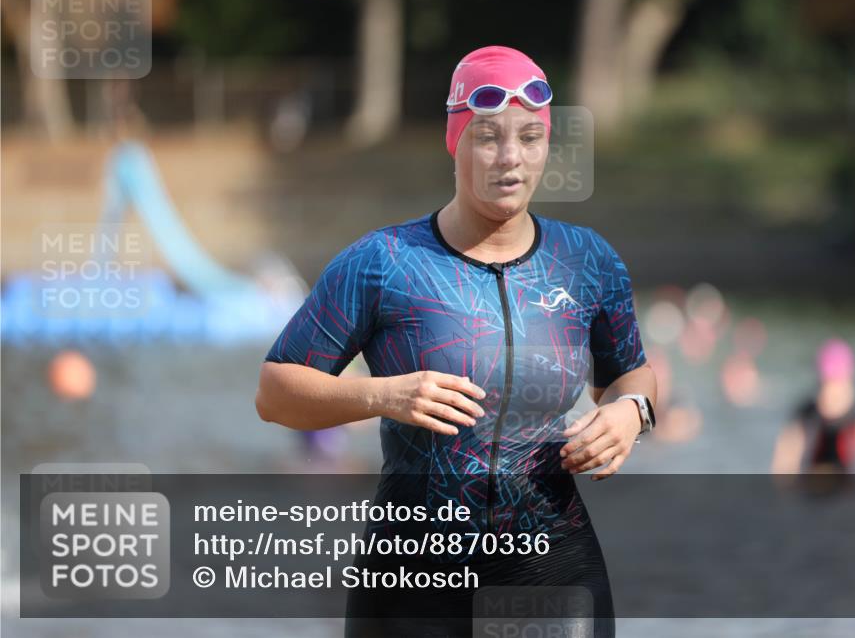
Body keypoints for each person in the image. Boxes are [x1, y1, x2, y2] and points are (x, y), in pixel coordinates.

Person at [255, 45, 657, 637]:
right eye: (488, 136)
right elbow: (274, 392)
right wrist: (385, 396)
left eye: (530, 137)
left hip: (552, 570)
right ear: (456, 142)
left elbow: (630, 375)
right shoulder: (384, 263)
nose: (510, 158)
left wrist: (631, 413)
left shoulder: (586, 262)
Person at [771, 339, 855, 475]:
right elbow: (784, 462)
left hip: (848, 487)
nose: (831, 396)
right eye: (827, 386)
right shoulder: (806, 415)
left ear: (848, 383)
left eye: (837, 387)